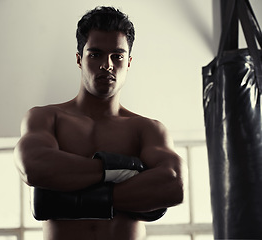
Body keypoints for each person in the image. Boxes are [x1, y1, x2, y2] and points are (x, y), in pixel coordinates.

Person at [14, 6, 183, 240]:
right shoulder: (47, 118)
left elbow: (173, 184)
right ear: (79, 59)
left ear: (129, 61)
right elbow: (33, 166)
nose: (107, 65)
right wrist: (124, 172)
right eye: (95, 54)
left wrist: (73, 192)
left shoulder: (146, 129)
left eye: (117, 56)